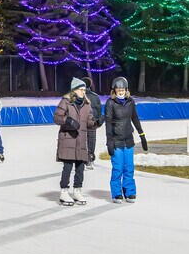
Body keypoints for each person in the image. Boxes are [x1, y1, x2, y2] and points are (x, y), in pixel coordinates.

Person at [53, 77, 97, 206]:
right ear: (74, 90)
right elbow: (56, 118)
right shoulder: (66, 102)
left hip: (81, 140)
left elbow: (89, 122)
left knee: (80, 167)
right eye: (81, 90)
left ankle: (77, 190)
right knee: (67, 166)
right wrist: (67, 121)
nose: (84, 92)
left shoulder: (87, 104)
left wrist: (96, 122)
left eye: (84, 89)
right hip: (68, 139)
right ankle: (64, 192)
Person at [104, 77, 147, 204]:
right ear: (114, 90)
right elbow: (108, 123)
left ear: (126, 90)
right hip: (116, 140)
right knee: (118, 168)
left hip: (128, 139)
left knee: (129, 167)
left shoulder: (130, 101)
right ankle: (117, 193)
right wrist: (109, 140)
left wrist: (142, 134)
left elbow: (135, 117)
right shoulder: (110, 103)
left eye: (123, 89)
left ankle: (129, 191)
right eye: (118, 89)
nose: (121, 92)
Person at [81, 77, 104, 170]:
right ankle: (90, 158)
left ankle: (83, 159)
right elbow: (99, 111)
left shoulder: (79, 95)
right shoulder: (95, 96)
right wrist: (98, 120)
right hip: (92, 122)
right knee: (91, 140)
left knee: (82, 141)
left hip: (82, 123)